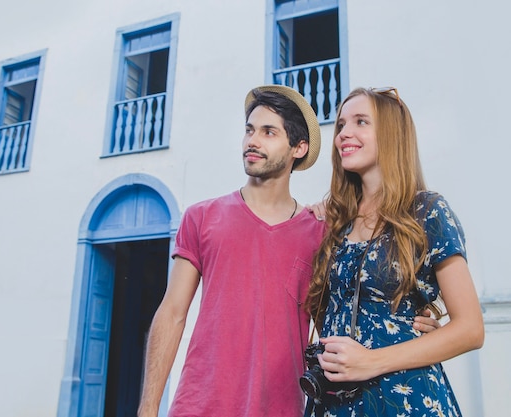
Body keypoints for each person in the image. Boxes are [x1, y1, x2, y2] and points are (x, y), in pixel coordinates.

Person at [137, 85, 440, 417]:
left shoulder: (323, 234)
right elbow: (172, 313)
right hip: (199, 406)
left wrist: (415, 324)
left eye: (269, 132)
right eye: (250, 130)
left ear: (299, 147)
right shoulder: (201, 217)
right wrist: (148, 408)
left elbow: (343, 315)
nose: (252, 141)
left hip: (282, 408)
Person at [303, 87, 484, 417]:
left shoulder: (427, 211)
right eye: (342, 124)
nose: (344, 133)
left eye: (361, 122)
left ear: (391, 135)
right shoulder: (334, 221)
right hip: (334, 403)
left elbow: (471, 329)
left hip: (406, 400)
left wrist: (370, 360)